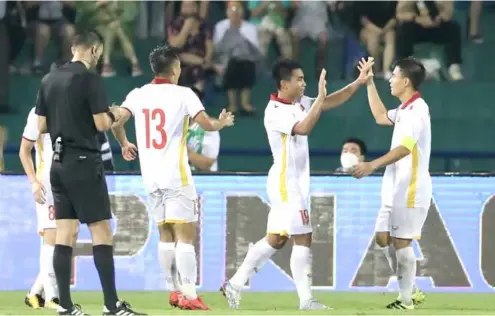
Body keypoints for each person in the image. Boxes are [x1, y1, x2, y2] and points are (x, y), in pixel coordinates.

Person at [221, 58, 373, 310]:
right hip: (285, 181)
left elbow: (330, 101)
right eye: (299, 79)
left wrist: (358, 82)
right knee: (303, 237)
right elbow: (303, 128)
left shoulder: (299, 102)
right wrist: (320, 98)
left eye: (304, 79)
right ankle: (306, 300)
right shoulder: (275, 111)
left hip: (291, 180)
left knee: (276, 239)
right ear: (284, 83)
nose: (304, 84)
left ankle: (234, 285)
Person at [111, 45, 235, 311]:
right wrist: (221, 123)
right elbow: (206, 124)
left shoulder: (137, 94)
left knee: (165, 235)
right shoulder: (184, 94)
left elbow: (115, 121)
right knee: (185, 235)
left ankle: (174, 291)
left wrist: (124, 143)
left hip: (150, 175)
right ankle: (190, 294)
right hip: (175, 174)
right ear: (175, 69)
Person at [34, 31, 144, 316]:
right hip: (83, 162)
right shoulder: (89, 79)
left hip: (57, 164)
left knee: (65, 234)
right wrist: (115, 114)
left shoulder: (49, 79)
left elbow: (42, 125)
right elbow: (101, 124)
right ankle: (111, 305)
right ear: (94, 50)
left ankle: (66, 307)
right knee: (101, 231)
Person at [352, 56, 431, 310]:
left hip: (411, 186)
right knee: (382, 238)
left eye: (394, 76)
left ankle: (406, 299)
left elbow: (405, 149)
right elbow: (379, 116)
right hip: (395, 186)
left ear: (406, 81)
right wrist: (369, 83)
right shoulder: (404, 110)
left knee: (401, 241)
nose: (391, 80)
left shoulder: (417, 111)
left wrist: (371, 165)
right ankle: (411, 288)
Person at [19, 61, 67, 312]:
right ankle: (53, 298)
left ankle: (35, 293)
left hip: (69, 181)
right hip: (47, 183)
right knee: (52, 238)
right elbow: (24, 151)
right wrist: (34, 182)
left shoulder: (71, 109)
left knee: (63, 242)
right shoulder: (37, 113)